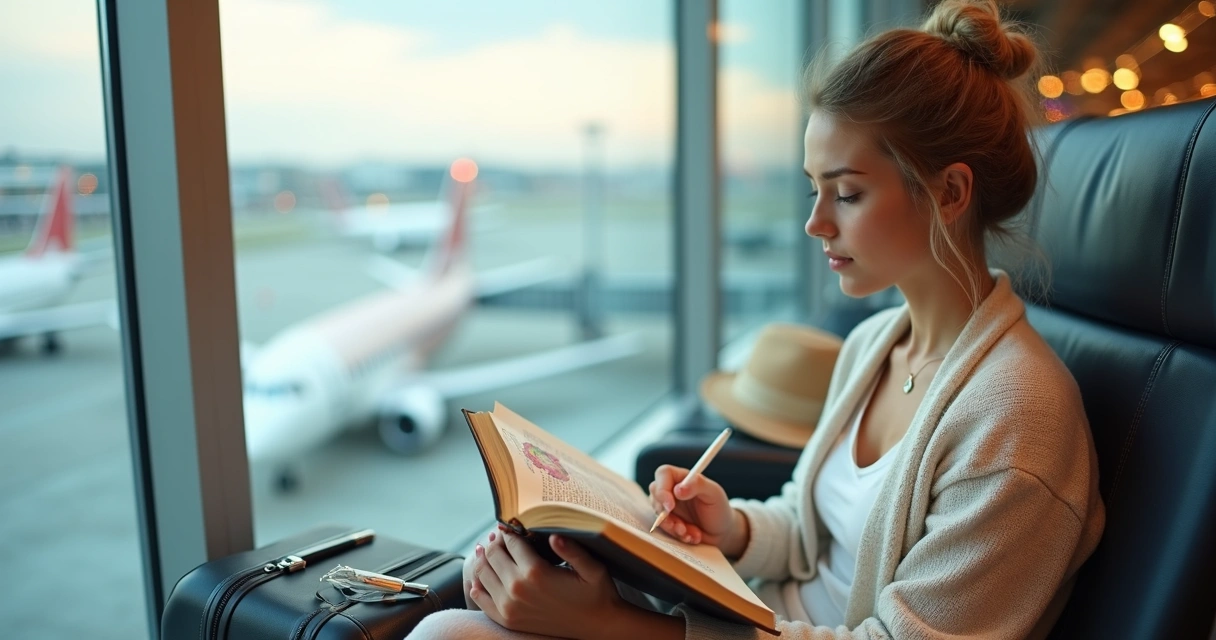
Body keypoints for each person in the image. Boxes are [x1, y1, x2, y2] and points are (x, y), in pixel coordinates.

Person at [408, 0, 1104, 637]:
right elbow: (809, 530)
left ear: (949, 191)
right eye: (812, 189)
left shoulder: (1016, 422)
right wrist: (733, 525)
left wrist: (618, 626)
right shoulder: (875, 344)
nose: (814, 223)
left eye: (848, 193)